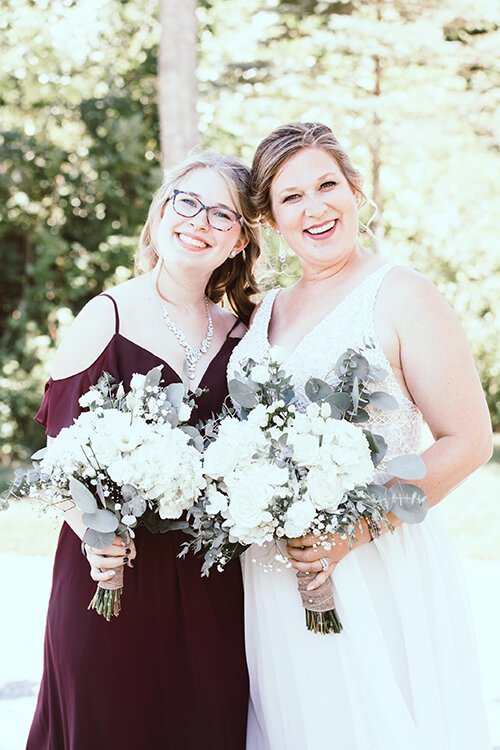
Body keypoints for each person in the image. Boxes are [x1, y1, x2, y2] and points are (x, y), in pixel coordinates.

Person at [228, 122, 493, 750]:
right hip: (272, 575)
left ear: (355, 190)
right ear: (268, 218)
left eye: (327, 184)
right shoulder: (263, 310)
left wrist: (353, 532)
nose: (315, 207)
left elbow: (468, 440)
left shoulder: (403, 293)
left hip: (374, 564)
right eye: (291, 197)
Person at [27, 151, 260, 750]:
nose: (199, 222)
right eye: (189, 203)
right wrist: (95, 533)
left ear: (238, 242)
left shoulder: (244, 338)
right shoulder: (104, 316)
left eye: (223, 215)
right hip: (111, 581)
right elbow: (57, 456)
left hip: (210, 593)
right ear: (162, 210)